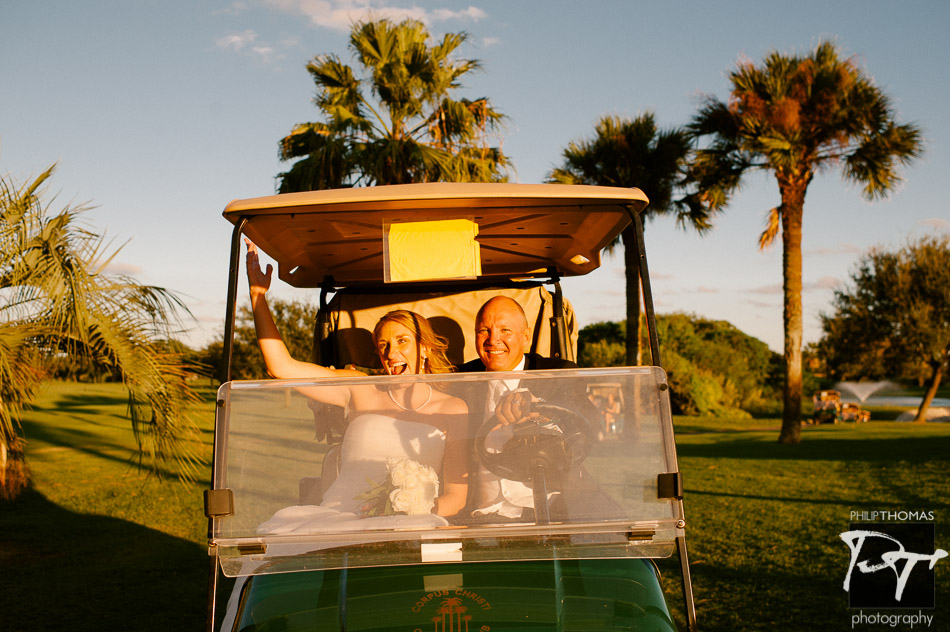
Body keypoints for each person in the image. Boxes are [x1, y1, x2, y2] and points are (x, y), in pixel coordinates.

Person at [245, 239, 468, 518]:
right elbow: (280, 367)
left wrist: (411, 512)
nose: (392, 352)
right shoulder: (358, 388)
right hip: (338, 517)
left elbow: (456, 497)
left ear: (424, 348)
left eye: (402, 341)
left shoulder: (454, 408)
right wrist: (258, 296)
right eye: (384, 345)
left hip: (411, 522)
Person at [459, 296, 595, 520]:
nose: (493, 340)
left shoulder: (557, 374)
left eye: (505, 330)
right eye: (484, 330)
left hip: (549, 508)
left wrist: (540, 407)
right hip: (478, 512)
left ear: (526, 337)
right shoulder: (461, 379)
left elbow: (588, 425)